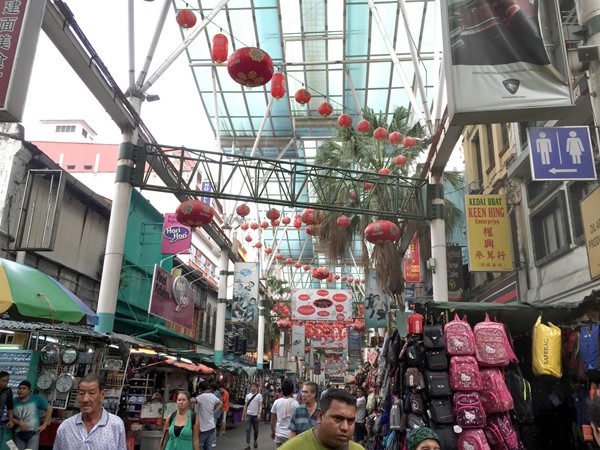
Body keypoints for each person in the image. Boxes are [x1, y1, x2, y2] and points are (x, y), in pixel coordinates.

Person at [53, 373, 126, 450]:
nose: (85, 399)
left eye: (91, 393)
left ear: (102, 394)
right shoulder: (66, 427)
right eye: (81, 393)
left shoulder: (115, 425)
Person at [279, 389, 363, 450]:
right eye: (337, 418)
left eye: (350, 421)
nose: (345, 427)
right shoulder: (292, 448)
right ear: (320, 416)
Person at [11, 380, 53, 450]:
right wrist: (19, 423)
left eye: (24, 388)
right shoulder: (14, 401)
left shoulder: (36, 399)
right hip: (18, 433)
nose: (21, 390)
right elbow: (10, 417)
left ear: (29, 391)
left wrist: (44, 425)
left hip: (33, 433)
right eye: (19, 388)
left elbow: (49, 408)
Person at [192, 381, 223, 450]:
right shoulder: (212, 396)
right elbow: (221, 403)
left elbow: (191, 400)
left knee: (196, 444)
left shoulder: (201, 397)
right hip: (211, 425)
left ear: (200, 388)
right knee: (208, 446)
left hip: (204, 427)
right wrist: (214, 412)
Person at [270, 379, 299, 449]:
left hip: (279, 434)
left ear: (282, 390)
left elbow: (273, 420)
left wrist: (273, 431)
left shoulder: (276, 402)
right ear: (292, 390)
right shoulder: (295, 404)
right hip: (291, 435)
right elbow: (297, 422)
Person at [242, 382, 263, 450]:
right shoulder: (247, 396)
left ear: (257, 388)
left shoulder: (259, 396)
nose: (253, 387)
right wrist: (243, 415)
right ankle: (248, 445)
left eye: (254, 386)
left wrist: (259, 413)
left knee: (256, 430)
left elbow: (260, 405)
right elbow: (245, 406)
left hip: (256, 416)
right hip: (249, 415)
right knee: (248, 429)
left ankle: (255, 441)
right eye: (252, 386)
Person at [0, 371, 14, 445]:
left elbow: (10, 407)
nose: (5, 383)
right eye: (3, 381)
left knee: (5, 441)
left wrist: (11, 421)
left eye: (7, 381)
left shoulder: (8, 390)